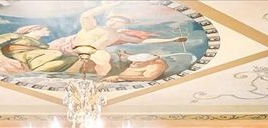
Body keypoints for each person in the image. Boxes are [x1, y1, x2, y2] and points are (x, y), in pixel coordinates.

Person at [50, 1, 187, 76]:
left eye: (118, 21)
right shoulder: (94, 27)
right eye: (112, 20)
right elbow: (85, 16)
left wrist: (171, 40)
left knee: (105, 62)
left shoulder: (118, 35)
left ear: (124, 24)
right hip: (74, 47)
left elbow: (143, 41)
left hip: (95, 51)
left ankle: (97, 84)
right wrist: (104, 7)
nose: (114, 22)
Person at [0, 24, 80, 74]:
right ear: (35, 29)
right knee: (55, 53)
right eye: (45, 29)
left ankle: (36, 71)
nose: (48, 31)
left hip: (34, 58)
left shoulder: (43, 45)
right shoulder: (17, 36)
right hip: (18, 55)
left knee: (69, 59)